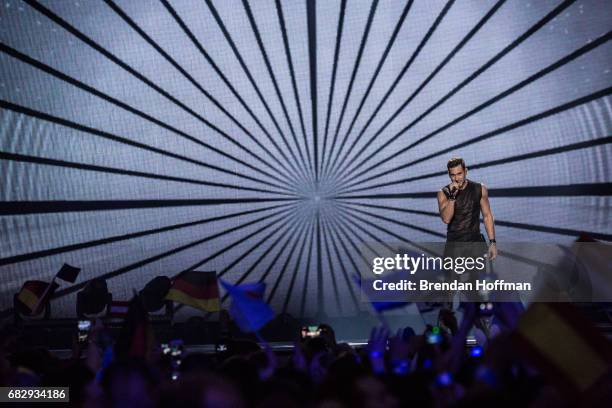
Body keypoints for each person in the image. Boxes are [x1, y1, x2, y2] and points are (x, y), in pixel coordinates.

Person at [437, 157, 497, 259]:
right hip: (454, 246)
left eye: (459, 174)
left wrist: (492, 242)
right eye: (453, 175)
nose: (456, 179)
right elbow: (446, 219)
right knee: (451, 274)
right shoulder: (443, 193)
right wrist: (452, 197)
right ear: (449, 174)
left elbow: (487, 216)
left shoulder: (480, 189)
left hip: (475, 244)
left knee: (478, 275)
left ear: (466, 171)